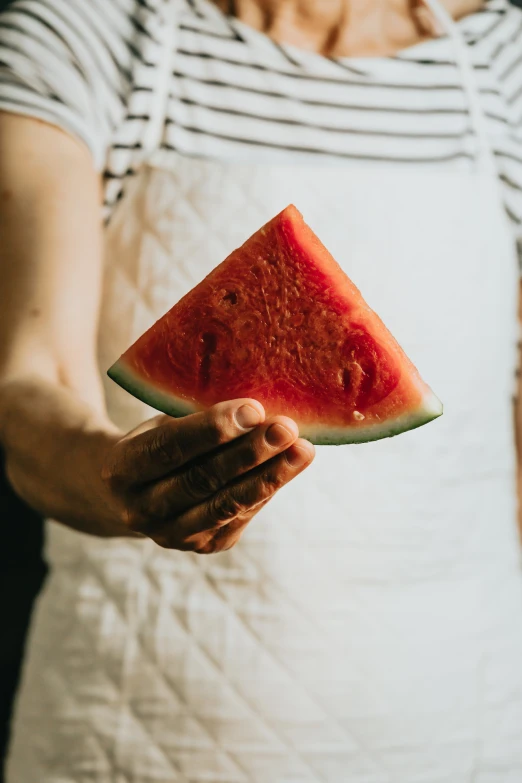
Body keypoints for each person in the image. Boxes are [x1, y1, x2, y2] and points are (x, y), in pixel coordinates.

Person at [1, 0, 522, 780]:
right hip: (127, 734)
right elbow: (30, 384)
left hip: (457, 724)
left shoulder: (503, 62)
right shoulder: (88, 29)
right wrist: (117, 478)